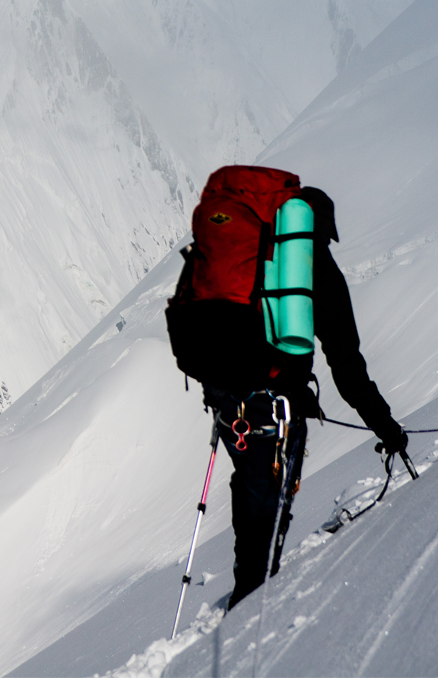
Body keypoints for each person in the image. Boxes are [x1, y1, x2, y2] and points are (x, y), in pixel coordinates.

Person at [164, 167, 406, 609]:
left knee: (251, 478)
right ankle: (252, 597)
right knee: (271, 492)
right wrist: (388, 429)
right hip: (272, 399)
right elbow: (347, 367)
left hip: (220, 387)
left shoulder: (254, 249)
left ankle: (250, 580)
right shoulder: (313, 263)